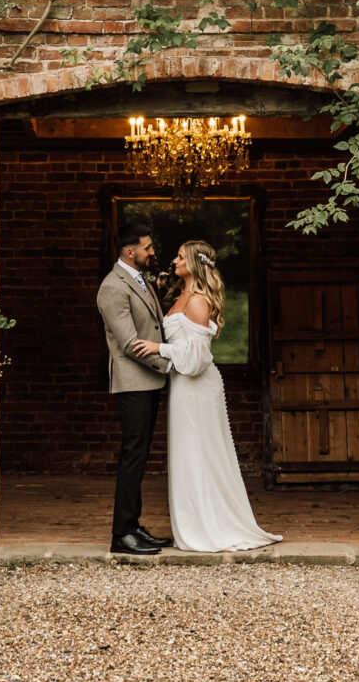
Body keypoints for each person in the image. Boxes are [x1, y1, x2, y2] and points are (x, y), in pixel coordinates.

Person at [162, 239, 280, 554]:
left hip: (196, 385)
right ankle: (193, 521)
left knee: (200, 453)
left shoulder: (198, 301)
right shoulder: (181, 295)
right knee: (187, 453)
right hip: (182, 385)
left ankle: (207, 526)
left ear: (194, 263)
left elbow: (198, 358)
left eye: (179, 256)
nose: (174, 261)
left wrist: (160, 349)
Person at [95, 223, 176, 556]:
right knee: (132, 455)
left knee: (139, 455)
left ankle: (133, 526)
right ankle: (121, 534)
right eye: (148, 247)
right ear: (130, 252)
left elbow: (153, 322)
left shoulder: (138, 279)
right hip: (134, 381)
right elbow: (130, 343)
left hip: (148, 381)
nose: (152, 252)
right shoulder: (112, 287)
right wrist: (170, 363)